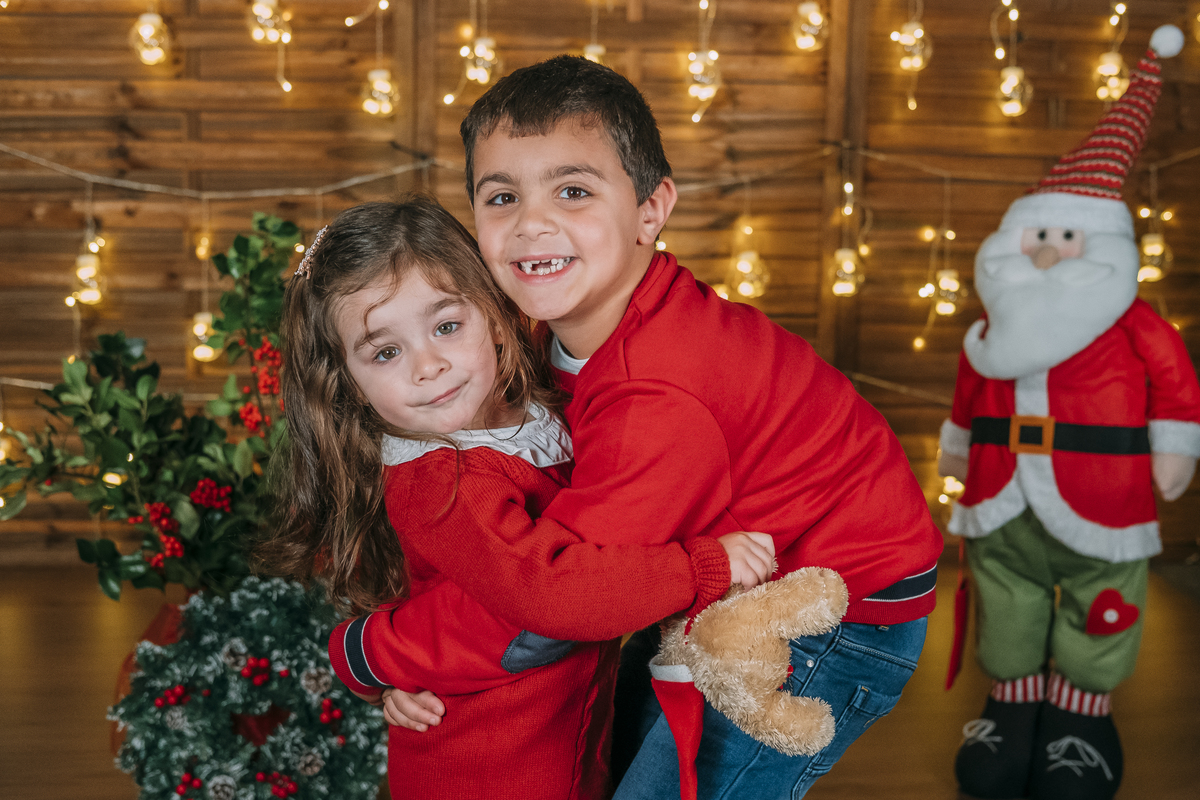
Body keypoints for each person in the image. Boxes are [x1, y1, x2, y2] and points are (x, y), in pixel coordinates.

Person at [386, 56, 944, 799]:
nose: (532, 223)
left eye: (574, 190)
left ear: (651, 209)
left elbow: (554, 594)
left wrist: (382, 653)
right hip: (728, 573)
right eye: (501, 196)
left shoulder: (658, 391)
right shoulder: (534, 327)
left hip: (834, 608)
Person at [261, 197, 777, 800]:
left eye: (447, 326)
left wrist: (386, 663)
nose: (427, 366)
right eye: (385, 352)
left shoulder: (525, 406)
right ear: (347, 381)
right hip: (484, 768)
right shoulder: (442, 483)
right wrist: (699, 567)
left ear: (492, 315)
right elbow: (546, 593)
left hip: (562, 739)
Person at [940, 26, 1198, 800]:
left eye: (1065, 237)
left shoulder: (1134, 322)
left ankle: (1081, 717)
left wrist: (1175, 446)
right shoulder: (990, 327)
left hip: (1104, 494)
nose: (1048, 253)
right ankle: (1012, 709)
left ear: (1107, 245)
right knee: (1006, 595)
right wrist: (957, 449)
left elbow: (1175, 383)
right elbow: (969, 392)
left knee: (1105, 599)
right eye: (1037, 236)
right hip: (1000, 492)